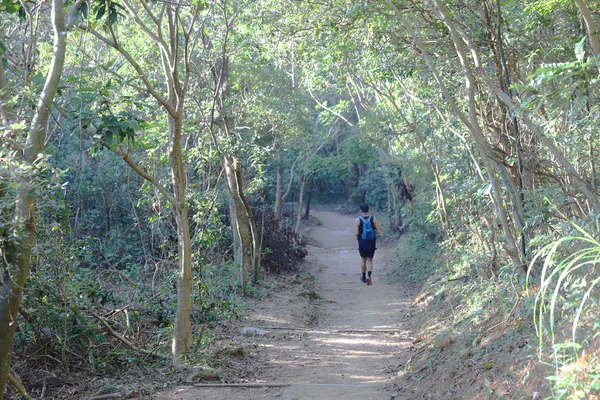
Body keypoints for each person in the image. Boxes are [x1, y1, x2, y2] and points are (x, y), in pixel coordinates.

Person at [354, 204, 382, 285]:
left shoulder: (358, 220)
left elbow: (356, 233)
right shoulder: (373, 219)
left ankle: (363, 277)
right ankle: (369, 277)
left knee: (363, 259)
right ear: (368, 210)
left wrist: (360, 234)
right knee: (370, 260)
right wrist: (373, 232)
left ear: (360, 211)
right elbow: (379, 231)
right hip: (371, 242)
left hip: (362, 242)